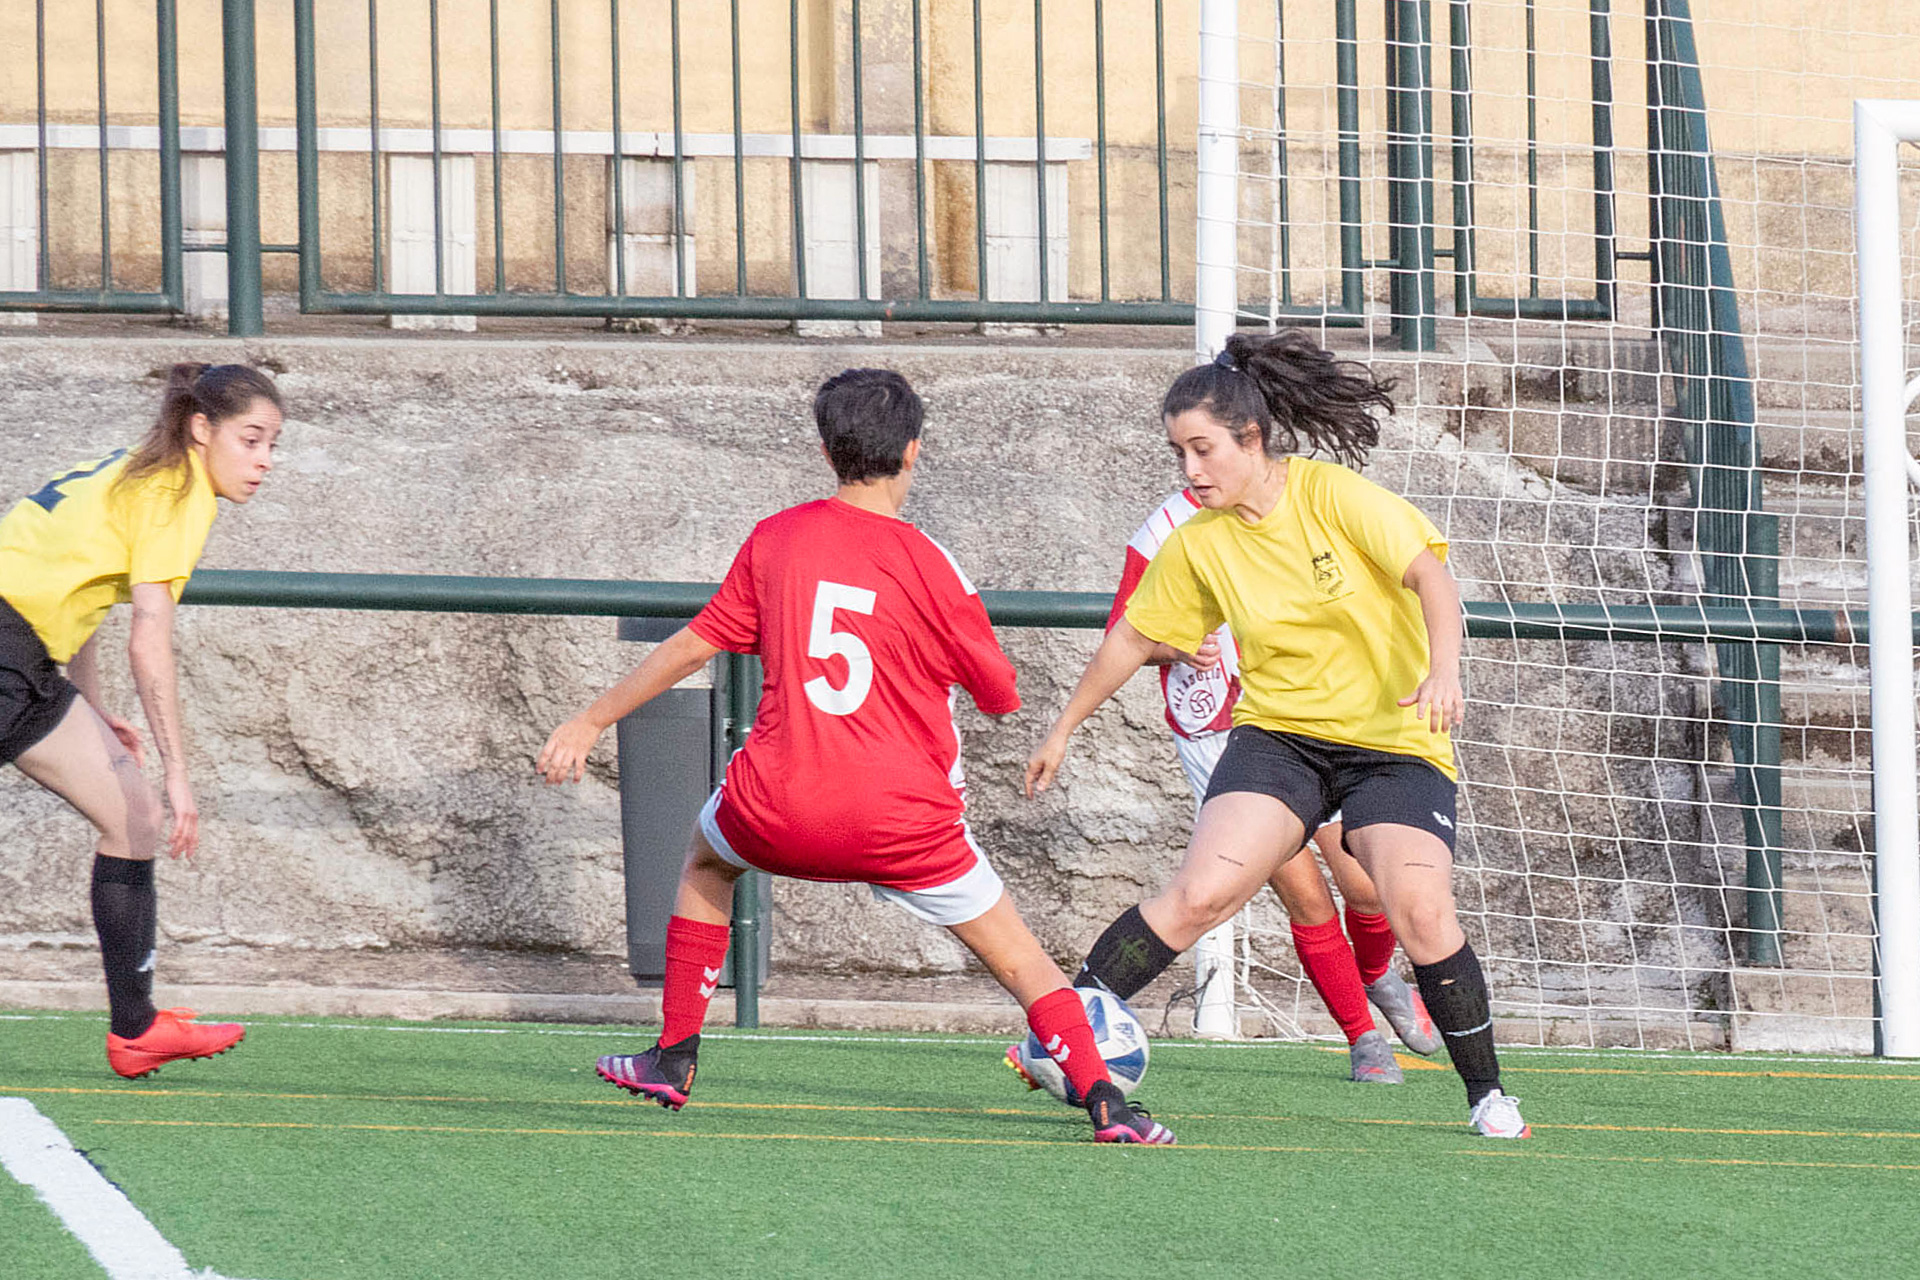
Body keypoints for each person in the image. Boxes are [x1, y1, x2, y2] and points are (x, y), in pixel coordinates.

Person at [538, 368, 1174, 1145]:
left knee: (707, 859)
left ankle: (674, 1057)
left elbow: (691, 646)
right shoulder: (931, 563)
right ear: (914, 452)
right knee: (1024, 963)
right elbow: (1000, 692)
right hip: (905, 824)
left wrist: (589, 720)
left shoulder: (777, 538)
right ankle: (1109, 1104)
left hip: (778, 806)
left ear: (823, 449)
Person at [1025, 331, 1529, 1139]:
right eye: (1178, 454)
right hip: (1281, 740)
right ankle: (1057, 1035)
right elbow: (1129, 636)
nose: (1191, 470)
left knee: (1420, 910)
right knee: (1200, 896)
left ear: (1251, 440)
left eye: (1203, 450)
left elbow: (1431, 574)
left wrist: (1444, 671)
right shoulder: (1199, 542)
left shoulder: (1335, 497)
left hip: (1394, 743)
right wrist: (1063, 729)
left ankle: (1488, 1095)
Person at [0, 362, 281, 1079]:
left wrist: (91, 707)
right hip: (7, 649)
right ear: (201, 429)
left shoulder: (138, 473)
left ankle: (137, 1029)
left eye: (272, 445)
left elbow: (81, 591)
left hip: (25, 659)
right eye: (251, 440)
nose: (263, 462)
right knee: (154, 803)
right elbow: (148, 634)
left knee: (134, 817)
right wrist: (182, 771)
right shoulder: (177, 494)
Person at [1106, 489, 1443, 1083]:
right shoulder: (1165, 529)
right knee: (1304, 893)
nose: (1202, 466)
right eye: (1191, 450)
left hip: (1312, 719)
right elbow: (1126, 633)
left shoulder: (1304, 504)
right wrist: (1176, 644)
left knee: (1366, 886)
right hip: (1221, 734)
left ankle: (1374, 972)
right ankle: (1362, 1038)